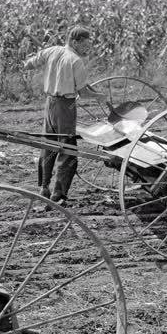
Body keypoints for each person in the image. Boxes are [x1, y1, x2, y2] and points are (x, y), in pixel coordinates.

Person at [23, 26, 107, 205]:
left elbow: (29, 64)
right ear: (75, 41)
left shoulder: (53, 50)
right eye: (85, 44)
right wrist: (99, 96)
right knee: (68, 150)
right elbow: (83, 93)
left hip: (50, 104)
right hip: (65, 107)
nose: (87, 48)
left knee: (48, 144)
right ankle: (58, 194)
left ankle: (44, 186)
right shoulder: (76, 61)